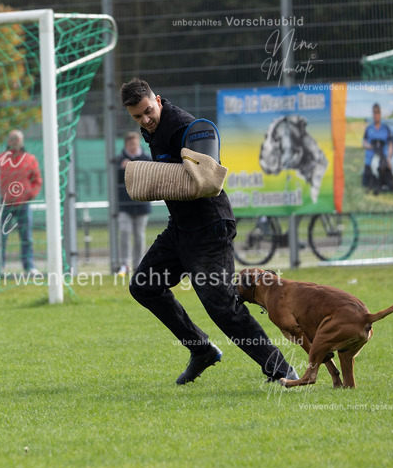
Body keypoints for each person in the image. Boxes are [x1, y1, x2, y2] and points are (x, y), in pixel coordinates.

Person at [120, 78, 297, 384]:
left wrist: (151, 176)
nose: (145, 120)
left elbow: (207, 179)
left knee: (222, 307)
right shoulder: (150, 131)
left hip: (210, 227)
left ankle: (282, 370)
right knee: (144, 286)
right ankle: (201, 349)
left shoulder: (188, 126)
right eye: (137, 116)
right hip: (180, 228)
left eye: (148, 111)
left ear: (158, 100)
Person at [0, 129, 43, 275]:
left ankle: (29, 266)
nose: (14, 142)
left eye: (17, 139)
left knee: (26, 237)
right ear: (8, 141)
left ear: (22, 141)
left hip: (23, 204)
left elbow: (37, 179)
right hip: (4, 204)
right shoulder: (0, 159)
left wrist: (31, 193)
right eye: (12, 139)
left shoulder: (30, 159)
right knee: (1, 237)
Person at [115, 131, 152, 275]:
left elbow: (149, 177)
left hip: (142, 203)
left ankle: (138, 265)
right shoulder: (119, 160)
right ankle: (124, 264)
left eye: (134, 144)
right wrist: (121, 169)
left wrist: (133, 167)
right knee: (124, 232)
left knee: (139, 235)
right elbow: (116, 181)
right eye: (130, 144)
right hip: (124, 205)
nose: (132, 147)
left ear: (138, 144)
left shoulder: (146, 158)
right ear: (126, 145)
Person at [361, 103, 393, 194]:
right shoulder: (369, 129)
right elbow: (364, 143)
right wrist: (370, 146)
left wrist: (388, 159)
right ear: (372, 114)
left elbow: (390, 145)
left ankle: (382, 184)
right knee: (365, 184)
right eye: (374, 113)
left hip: (382, 161)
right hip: (370, 161)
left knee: (387, 182)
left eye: (377, 113)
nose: (376, 115)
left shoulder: (386, 129)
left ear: (380, 114)